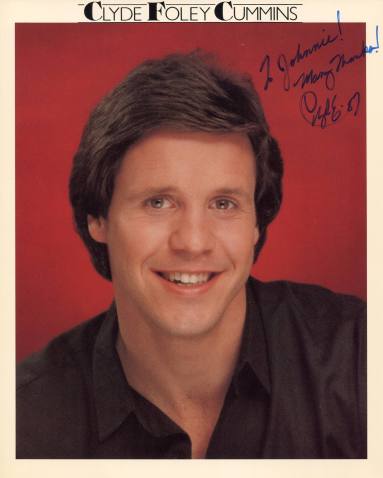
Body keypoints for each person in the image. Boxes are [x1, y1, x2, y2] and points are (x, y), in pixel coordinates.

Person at [16, 51, 366, 459]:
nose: (194, 243)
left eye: (224, 204)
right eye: (158, 203)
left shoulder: (358, 360)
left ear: (256, 223)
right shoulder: (24, 420)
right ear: (99, 218)